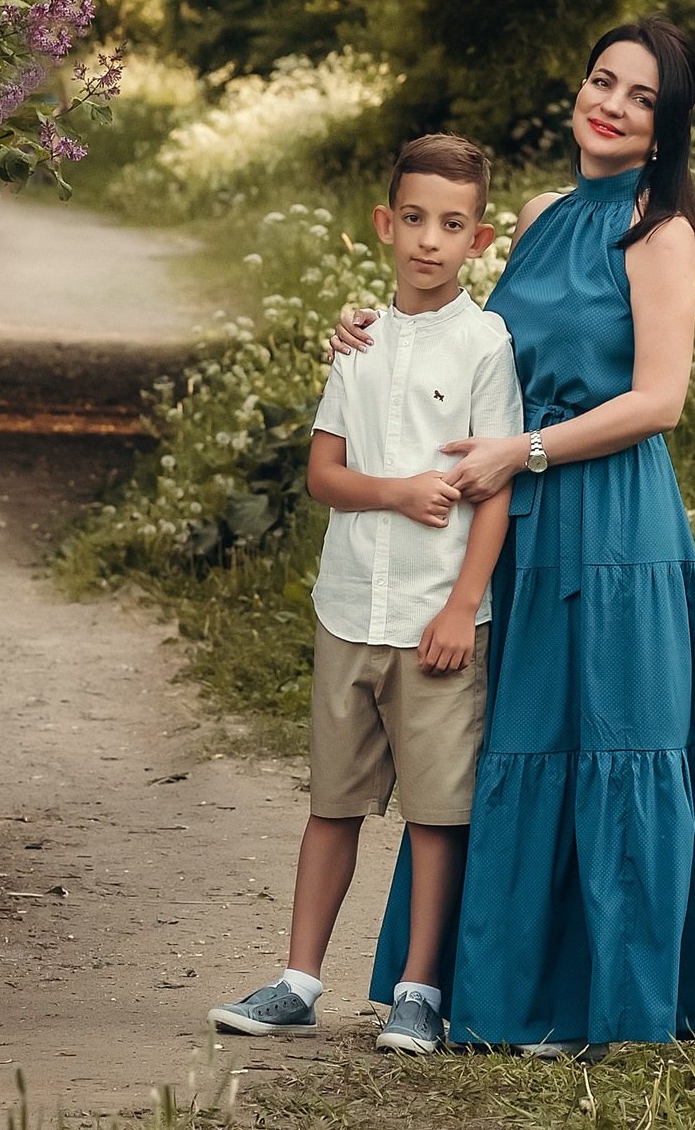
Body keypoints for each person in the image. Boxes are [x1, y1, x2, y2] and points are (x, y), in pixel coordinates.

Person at [337, 17, 695, 1057]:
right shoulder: (538, 214)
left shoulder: (656, 229)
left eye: (638, 96)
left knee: (614, 733)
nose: (611, 104)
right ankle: (493, 984)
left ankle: (609, 999)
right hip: (520, 517)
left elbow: (659, 400)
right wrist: (372, 330)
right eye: (601, 80)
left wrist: (523, 452)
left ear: (664, 125)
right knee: (516, 735)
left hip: (613, 515)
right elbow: (478, 351)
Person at [210, 134, 523, 1058]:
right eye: (415, 219)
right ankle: (299, 980)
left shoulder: (485, 343)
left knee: (436, 813)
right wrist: (393, 490)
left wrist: (464, 603)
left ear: (481, 238)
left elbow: (495, 489)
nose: (431, 239)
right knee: (332, 802)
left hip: (436, 618)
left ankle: (418, 990)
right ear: (386, 226)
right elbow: (322, 473)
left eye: (453, 224)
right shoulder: (359, 340)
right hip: (348, 606)